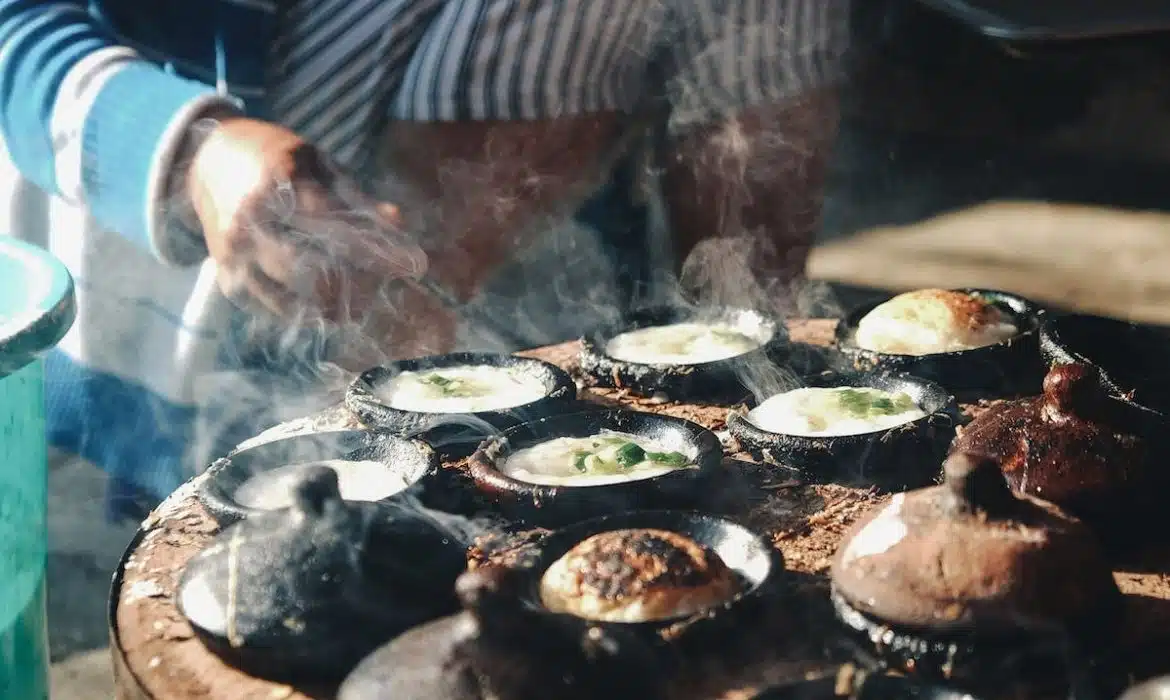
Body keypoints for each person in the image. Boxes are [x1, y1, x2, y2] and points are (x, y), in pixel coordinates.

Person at [0, 0, 850, 518]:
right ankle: (366, 450)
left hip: (545, 278)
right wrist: (194, 154)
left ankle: (760, 403)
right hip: (217, 286)